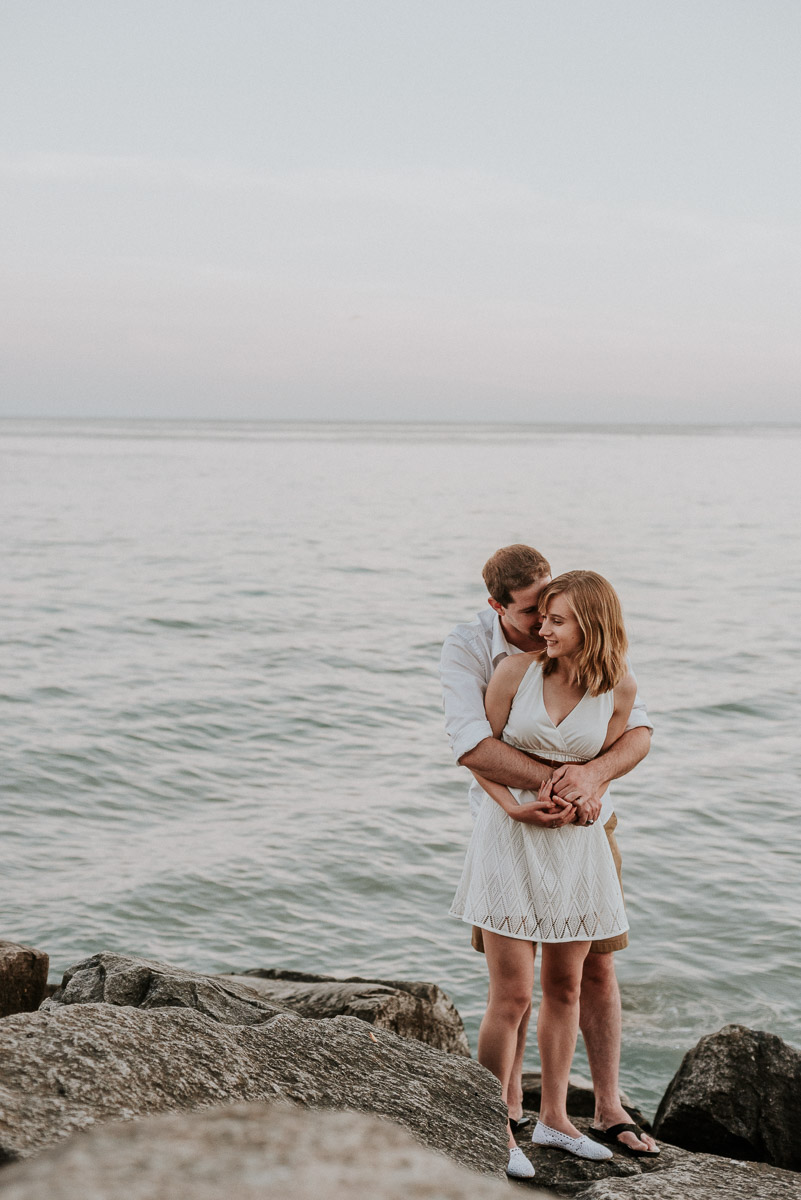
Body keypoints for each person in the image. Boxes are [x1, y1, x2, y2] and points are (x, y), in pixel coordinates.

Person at [440, 547, 658, 1174]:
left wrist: (590, 784)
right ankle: (492, 1121)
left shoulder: (617, 682)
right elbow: (474, 750)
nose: (543, 627)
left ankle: (563, 1118)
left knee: (573, 982)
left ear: (588, 621)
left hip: (579, 844)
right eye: (538, 613)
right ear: (499, 607)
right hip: (511, 836)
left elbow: (631, 740)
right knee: (511, 995)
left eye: (556, 616)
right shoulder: (502, 666)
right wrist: (518, 804)